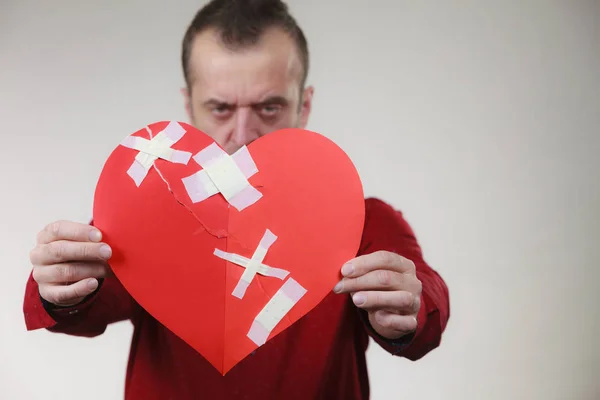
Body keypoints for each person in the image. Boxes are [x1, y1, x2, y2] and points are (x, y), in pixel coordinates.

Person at [23, 1, 450, 399]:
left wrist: (408, 310)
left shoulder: (361, 220)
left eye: (269, 107)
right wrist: (63, 286)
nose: (243, 136)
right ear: (189, 106)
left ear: (304, 105)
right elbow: (88, 304)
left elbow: (426, 299)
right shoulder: (146, 217)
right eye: (221, 109)